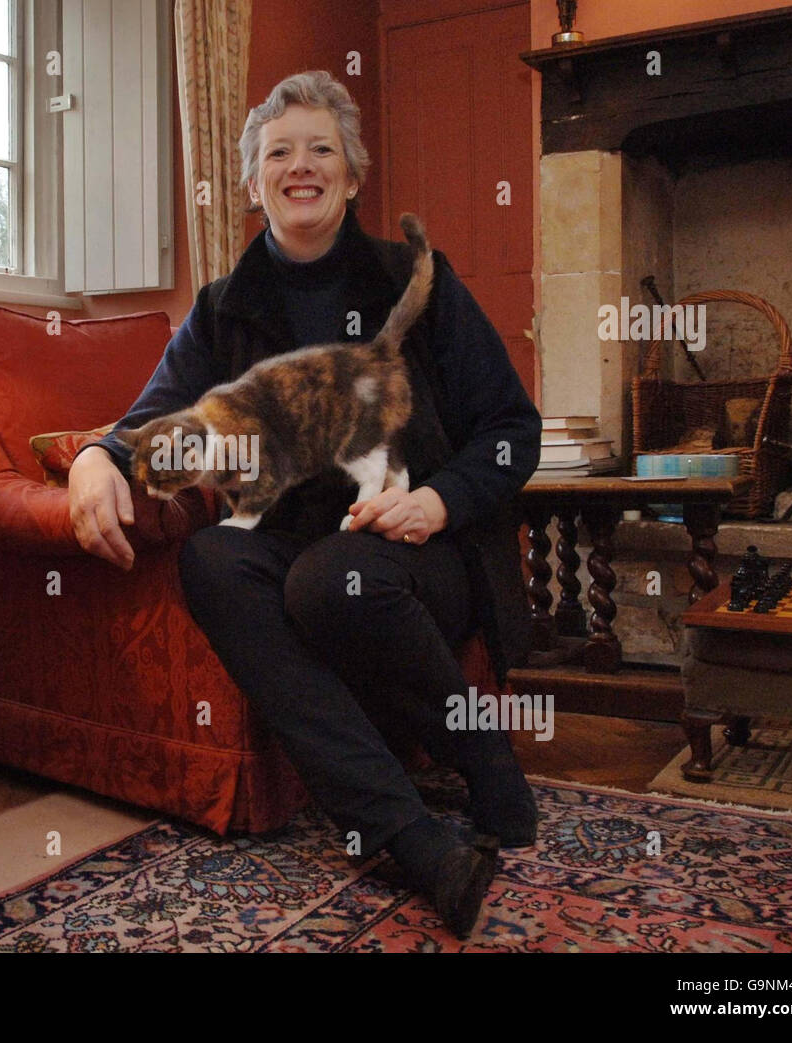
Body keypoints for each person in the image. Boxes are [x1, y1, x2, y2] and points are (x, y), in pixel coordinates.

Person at [68, 71, 541, 938]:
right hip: (300, 550)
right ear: (252, 184)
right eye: (278, 152)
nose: (300, 166)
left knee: (332, 581)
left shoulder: (419, 280)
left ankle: (484, 756)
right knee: (214, 556)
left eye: (321, 148)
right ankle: (416, 838)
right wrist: (97, 457)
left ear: (353, 175)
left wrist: (436, 500)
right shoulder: (221, 307)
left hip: (428, 552)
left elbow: (513, 430)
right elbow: (152, 415)